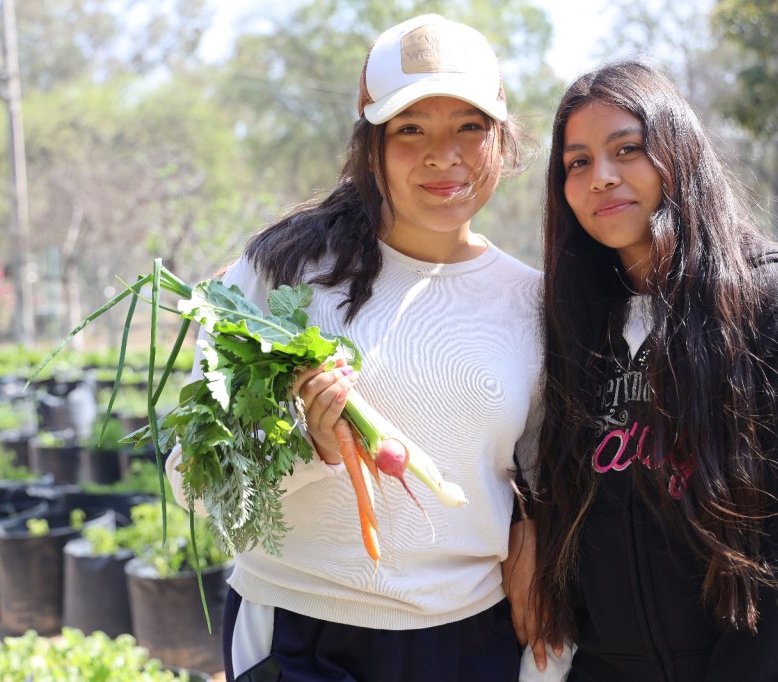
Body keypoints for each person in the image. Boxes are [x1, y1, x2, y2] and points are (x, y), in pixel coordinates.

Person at [163, 14, 543, 681]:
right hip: (300, 632)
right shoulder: (280, 273)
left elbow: (548, 478)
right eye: (410, 129)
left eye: (470, 126)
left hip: (470, 638)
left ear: (502, 140)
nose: (443, 154)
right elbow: (191, 480)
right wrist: (311, 448)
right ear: (371, 147)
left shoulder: (533, 301)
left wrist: (536, 536)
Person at [522, 59, 778, 681]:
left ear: (677, 152)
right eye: (577, 162)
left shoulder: (767, 302)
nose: (601, 177)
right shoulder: (577, 321)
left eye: (627, 149)